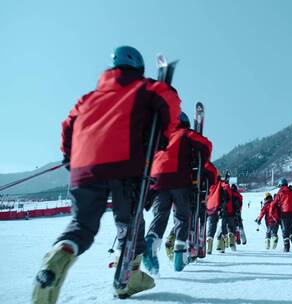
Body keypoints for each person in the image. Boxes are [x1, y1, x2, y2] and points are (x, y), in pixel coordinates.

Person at [33, 46, 181, 303]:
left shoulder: (88, 97)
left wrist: (69, 156)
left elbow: (68, 126)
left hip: (84, 167)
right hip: (125, 165)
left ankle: (58, 257)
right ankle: (128, 276)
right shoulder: (147, 88)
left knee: (82, 226)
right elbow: (170, 106)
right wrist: (163, 140)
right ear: (139, 67)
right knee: (130, 225)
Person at [142, 112, 212, 273]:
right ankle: (179, 254)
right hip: (179, 178)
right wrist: (200, 158)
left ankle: (151, 240)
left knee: (160, 215)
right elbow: (206, 145)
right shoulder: (186, 133)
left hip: (157, 179)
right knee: (182, 216)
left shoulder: (162, 136)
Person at [270, 179, 292, 252]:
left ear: (281, 185)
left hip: (284, 214)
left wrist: (272, 213)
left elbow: (273, 203)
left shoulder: (280, 192)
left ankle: (286, 247)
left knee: (285, 231)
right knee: (290, 229)